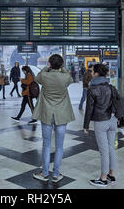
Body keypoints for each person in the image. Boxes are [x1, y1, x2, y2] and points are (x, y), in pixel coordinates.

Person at [32, 54, 75, 183]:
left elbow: (37, 77)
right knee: (60, 146)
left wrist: (47, 67)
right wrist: (62, 68)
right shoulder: (65, 77)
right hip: (61, 114)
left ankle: (44, 173)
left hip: (46, 113)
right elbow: (70, 78)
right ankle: (56, 174)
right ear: (61, 65)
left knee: (46, 144)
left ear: (50, 64)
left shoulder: (44, 76)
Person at [83, 63, 118, 187]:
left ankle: (103, 179)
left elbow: (89, 109)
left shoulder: (92, 89)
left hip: (100, 122)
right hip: (113, 120)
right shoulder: (111, 87)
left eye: (92, 72)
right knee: (111, 148)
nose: (91, 74)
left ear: (97, 73)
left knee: (104, 151)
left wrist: (86, 125)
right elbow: (118, 104)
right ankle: (111, 175)